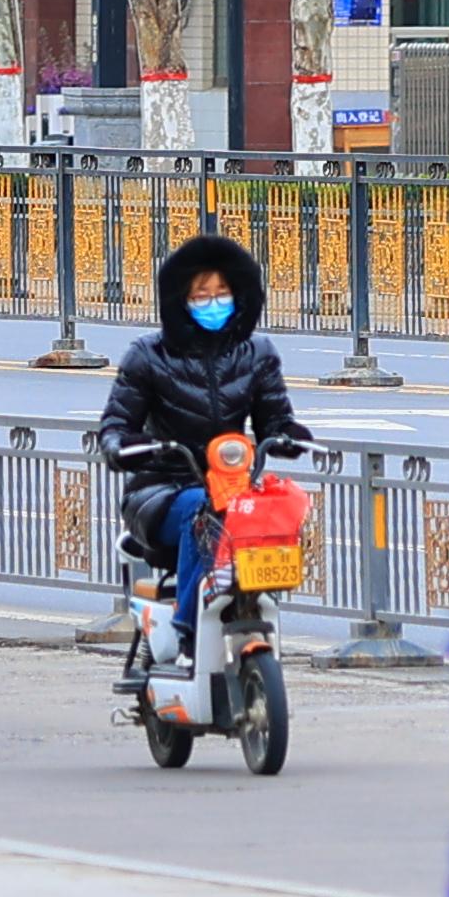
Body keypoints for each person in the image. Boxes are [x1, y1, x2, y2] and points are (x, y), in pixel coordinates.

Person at [99, 233, 310, 669]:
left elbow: (273, 420)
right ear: (180, 300)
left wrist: (288, 435)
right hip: (162, 491)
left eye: (222, 293)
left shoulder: (258, 354)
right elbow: (116, 427)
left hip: (234, 491)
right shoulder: (147, 355)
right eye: (201, 295)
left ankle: (250, 606)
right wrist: (124, 446)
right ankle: (185, 629)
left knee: (276, 509)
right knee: (205, 511)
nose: (213, 303)